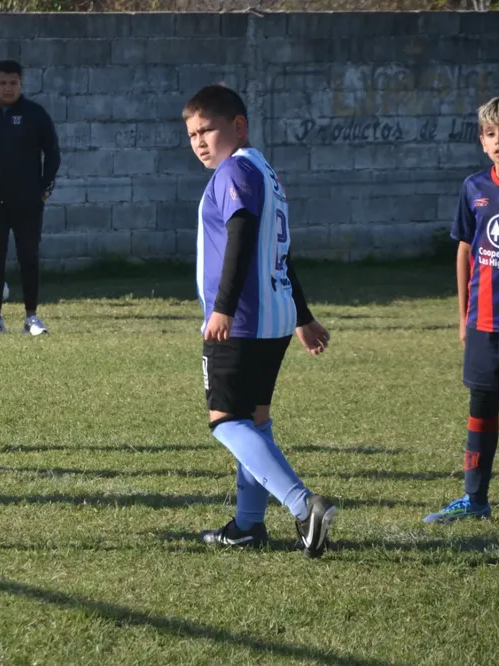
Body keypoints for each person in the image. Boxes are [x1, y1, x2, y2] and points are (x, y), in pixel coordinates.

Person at [183, 85, 337, 558]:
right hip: (273, 318)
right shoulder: (264, 170)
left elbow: (243, 236)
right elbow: (281, 251)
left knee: (225, 422)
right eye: (192, 134)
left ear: (238, 125)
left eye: (207, 129)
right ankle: (249, 525)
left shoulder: (234, 172)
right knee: (254, 421)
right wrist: (303, 317)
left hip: (242, 320)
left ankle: (302, 504)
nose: (200, 142)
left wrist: (223, 308)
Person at [424, 96, 499, 524]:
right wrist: (465, 316)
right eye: (490, 134)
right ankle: (475, 500)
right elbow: (466, 250)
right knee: (482, 407)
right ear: (482, 142)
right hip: (485, 323)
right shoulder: (475, 188)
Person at [0, 59, 60, 336]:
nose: (8, 88)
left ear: (21, 84)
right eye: (2, 83)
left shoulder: (35, 114)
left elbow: (53, 153)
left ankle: (31, 318)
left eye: (13, 83)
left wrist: (44, 188)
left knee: (28, 258)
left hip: (27, 203)